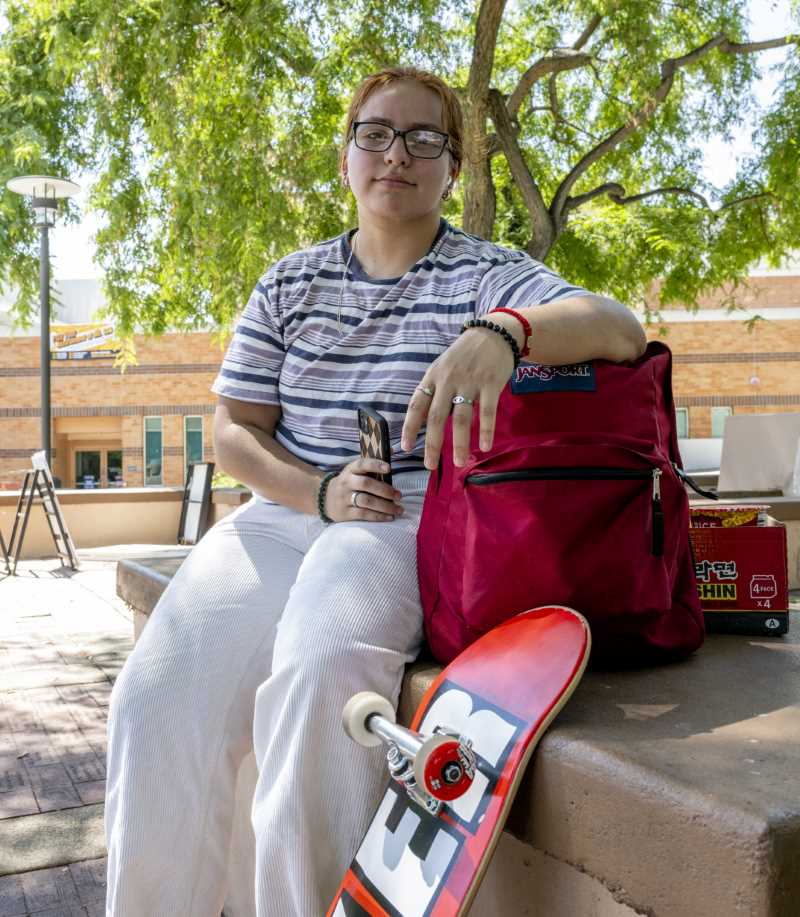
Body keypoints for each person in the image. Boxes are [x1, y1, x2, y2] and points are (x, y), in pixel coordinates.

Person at [104, 66, 646, 916]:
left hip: (406, 523)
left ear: (453, 167)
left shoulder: (482, 274)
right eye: (377, 133)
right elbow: (234, 431)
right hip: (286, 516)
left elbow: (620, 326)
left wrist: (505, 331)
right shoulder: (289, 281)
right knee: (154, 699)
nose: (398, 153)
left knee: (320, 676)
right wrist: (317, 492)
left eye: (425, 137)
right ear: (348, 154)